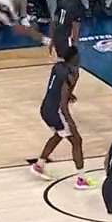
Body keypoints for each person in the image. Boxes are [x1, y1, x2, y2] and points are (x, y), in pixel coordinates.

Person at [30, 46, 90, 189]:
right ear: (74, 58)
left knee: (59, 134)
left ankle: (39, 165)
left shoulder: (58, 66)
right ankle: (81, 179)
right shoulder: (72, 73)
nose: (80, 57)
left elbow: (57, 88)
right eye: (78, 55)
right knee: (77, 140)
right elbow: (63, 104)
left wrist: (69, 94)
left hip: (45, 108)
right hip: (56, 111)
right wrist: (70, 121)